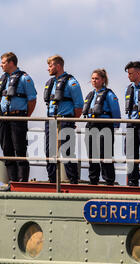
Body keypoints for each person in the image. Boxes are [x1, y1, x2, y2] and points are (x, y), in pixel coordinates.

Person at [0, 52, 37, 182]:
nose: (1, 65)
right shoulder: (3, 79)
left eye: (3, 62)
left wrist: (25, 116)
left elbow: (32, 100)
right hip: (3, 118)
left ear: (11, 63)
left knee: (19, 150)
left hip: (17, 118)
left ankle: (22, 181)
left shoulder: (25, 78)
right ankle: (12, 181)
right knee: (6, 150)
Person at [43, 55, 83, 184]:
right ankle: (52, 181)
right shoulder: (50, 83)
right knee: (50, 153)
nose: (48, 68)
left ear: (58, 66)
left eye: (50, 66)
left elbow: (79, 106)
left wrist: (71, 121)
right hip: (51, 121)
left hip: (65, 120)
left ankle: (73, 181)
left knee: (67, 152)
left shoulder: (72, 83)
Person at [82, 69, 121, 185]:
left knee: (106, 155)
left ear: (103, 80)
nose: (94, 81)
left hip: (105, 125)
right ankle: (93, 179)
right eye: (93, 78)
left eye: (97, 78)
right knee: (92, 154)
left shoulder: (109, 94)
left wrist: (114, 127)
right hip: (91, 125)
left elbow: (116, 112)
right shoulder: (91, 95)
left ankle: (109, 180)